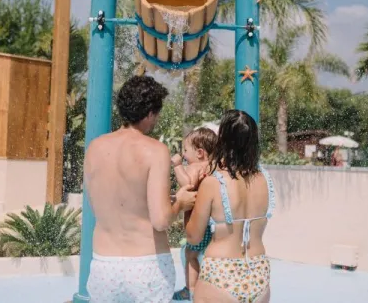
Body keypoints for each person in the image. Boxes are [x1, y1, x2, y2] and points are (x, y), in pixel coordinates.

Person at [84, 75, 197, 302]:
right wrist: (181, 203)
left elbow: (103, 206)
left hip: (104, 264)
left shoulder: (94, 148)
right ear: (149, 113)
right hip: (147, 264)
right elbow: (161, 220)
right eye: (156, 114)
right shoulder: (154, 150)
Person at [186, 110, 275, 303]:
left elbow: (193, 237)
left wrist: (189, 199)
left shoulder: (214, 183)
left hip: (221, 272)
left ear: (223, 141)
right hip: (258, 271)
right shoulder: (265, 179)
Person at [171, 128, 218, 301]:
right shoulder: (214, 166)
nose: (183, 155)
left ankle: (190, 290)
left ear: (199, 153)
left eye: (185, 150)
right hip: (211, 223)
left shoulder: (194, 166)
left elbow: (188, 184)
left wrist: (177, 166)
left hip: (198, 226)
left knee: (190, 254)